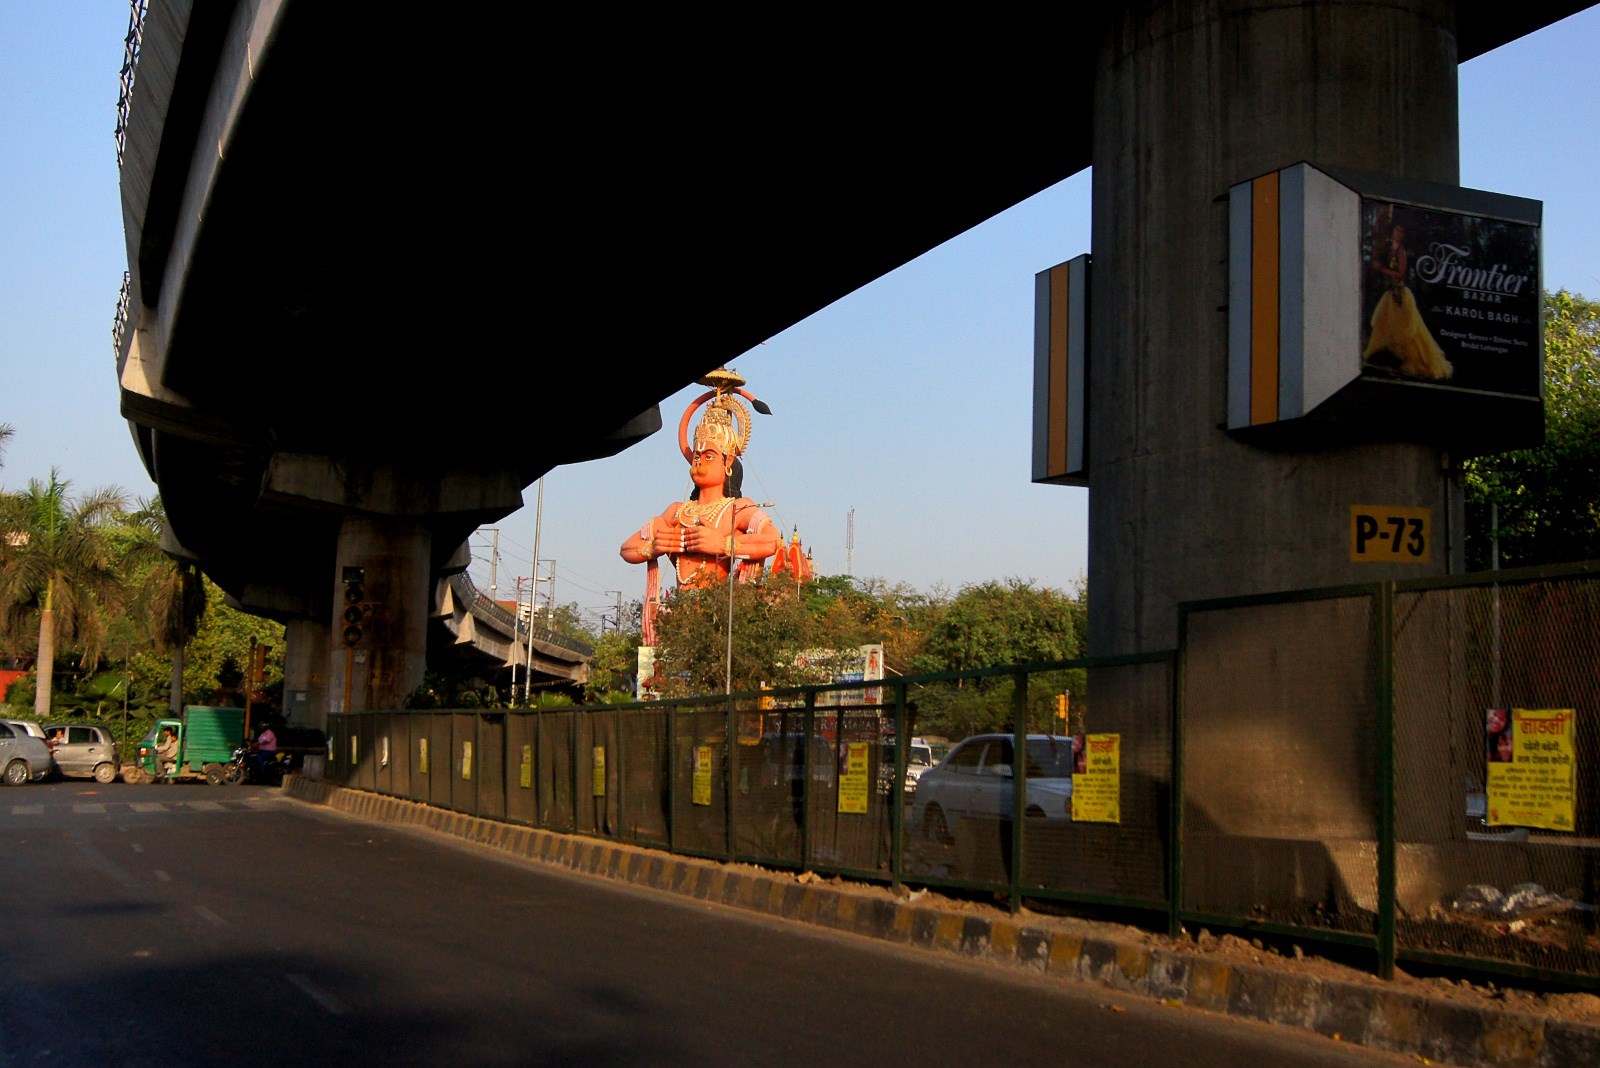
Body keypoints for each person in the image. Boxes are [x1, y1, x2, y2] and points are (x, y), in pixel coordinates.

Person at [620, 369, 781, 644]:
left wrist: (723, 545)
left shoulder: (737, 509)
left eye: (708, 456)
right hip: (678, 617)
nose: (699, 462)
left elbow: (771, 541)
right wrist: (654, 547)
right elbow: (627, 548)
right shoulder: (677, 512)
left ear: (728, 463)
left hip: (718, 620)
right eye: (697, 455)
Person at [1361, 215, 1452, 381]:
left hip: (1401, 294)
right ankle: (1385, 358)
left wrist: (1381, 269)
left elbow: (1400, 273)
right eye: (1397, 230)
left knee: (1408, 330)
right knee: (1386, 324)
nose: (1399, 234)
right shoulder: (1389, 248)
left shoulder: (1401, 251)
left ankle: (1412, 361)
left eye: (1402, 231)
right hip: (1390, 293)